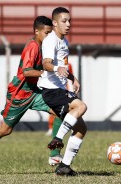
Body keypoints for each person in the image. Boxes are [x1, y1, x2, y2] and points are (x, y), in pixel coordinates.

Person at [0, 16, 62, 171]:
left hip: (33, 92)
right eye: (47, 33)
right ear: (37, 31)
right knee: (5, 130)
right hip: (19, 94)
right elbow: (27, 72)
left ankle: (55, 154)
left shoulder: (44, 46)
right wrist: (44, 73)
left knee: (58, 111)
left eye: (51, 33)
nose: (49, 36)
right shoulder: (33, 47)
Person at [38, 7, 87, 176]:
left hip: (59, 89)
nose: (68, 24)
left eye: (69, 21)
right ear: (55, 23)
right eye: (64, 21)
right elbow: (46, 64)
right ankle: (57, 138)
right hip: (51, 90)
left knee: (81, 129)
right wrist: (57, 68)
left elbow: (62, 68)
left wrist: (73, 79)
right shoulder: (51, 40)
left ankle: (64, 166)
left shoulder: (64, 42)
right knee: (81, 106)